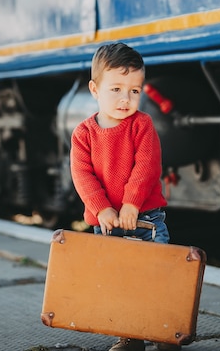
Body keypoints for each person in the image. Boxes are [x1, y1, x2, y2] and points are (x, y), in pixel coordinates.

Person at [70, 42, 179, 351]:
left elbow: (147, 166)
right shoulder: (83, 133)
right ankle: (130, 336)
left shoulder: (142, 125)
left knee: (156, 274)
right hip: (107, 223)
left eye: (134, 91)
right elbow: (82, 175)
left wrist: (131, 202)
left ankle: (165, 331)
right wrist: (101, 209)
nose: (125, 99)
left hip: (147, 219)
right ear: (95, 89)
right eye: (116, 89)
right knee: (120, 281)